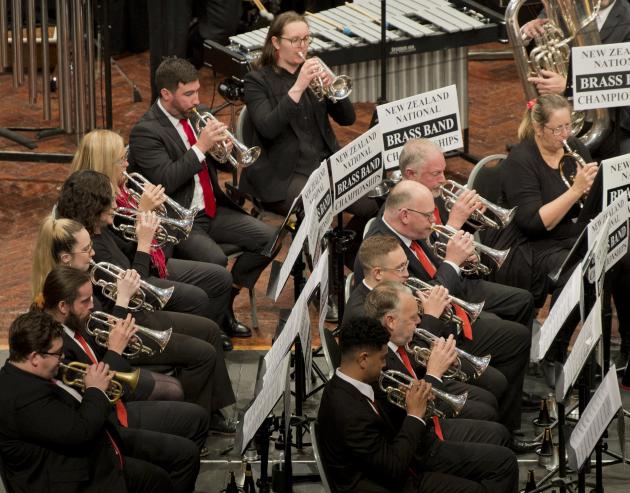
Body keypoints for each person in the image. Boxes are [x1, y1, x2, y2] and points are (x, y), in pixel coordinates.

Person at [357, 180, 533, 436]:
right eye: (428, 215)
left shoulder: (411, 232)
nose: (433, 220)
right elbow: (427, 295)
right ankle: (497, 433)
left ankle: (504, 426)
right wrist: (451, 262)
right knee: (496, 381)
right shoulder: (385, 247)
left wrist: (460, 258)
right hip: (429, 333)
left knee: (516, 333)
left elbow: (433, 274)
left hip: (443, 315)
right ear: (405, 215)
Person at [31, 214, 237, 434]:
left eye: (91, 246)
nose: (93, 253)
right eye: (86, 249)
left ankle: (207, 415)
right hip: (114, 348)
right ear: (65, 258)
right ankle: (195, 425)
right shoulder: (66, 291)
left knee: (209, 331)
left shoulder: (82, 275)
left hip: (123, 327)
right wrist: (122, 299)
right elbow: (99, 338)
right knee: (200, 354)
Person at [129, 56, 277, 333]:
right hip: (181, 220)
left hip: (212, 209)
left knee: (270, 239)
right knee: (216, 262)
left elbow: (221, 163)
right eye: (188, 94)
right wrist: (200, 146)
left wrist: (225, 146)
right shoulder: (146, 131)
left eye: (197, 91)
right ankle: (211, 327)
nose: (196, 100)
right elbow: (166, 180)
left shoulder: (196, 113)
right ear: (166, 94)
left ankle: (228, 299)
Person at [0, 310, 199, 493]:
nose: (62, 359)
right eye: (58, 354)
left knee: (159, 483)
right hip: (73, 490)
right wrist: (95, 390)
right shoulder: (21, 399)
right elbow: (81, 431)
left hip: (98, 456)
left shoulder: (32, 373)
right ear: (35, 357)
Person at [317, 317, 519, 493]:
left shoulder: (352, 385)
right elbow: (394, 467)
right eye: (382, 359)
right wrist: (414, 415)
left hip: (398, 477)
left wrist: (408, 403)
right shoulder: (347, 411)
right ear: (363, 359)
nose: (385, 365)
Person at [69, 128, 246, 342]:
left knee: (220, 277)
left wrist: (152, 215)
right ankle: (200, 340)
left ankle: (211, 333)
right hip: (137, 273)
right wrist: (143, 215)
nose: (127, 165)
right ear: (106, 163)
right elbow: (127, 259)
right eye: (122, 159)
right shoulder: (97, 207)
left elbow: (161, 245)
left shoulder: (123, 190)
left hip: (152, 260)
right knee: (197, 297)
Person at [499, 93, 630, 366]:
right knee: (581, 269)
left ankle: (627, 344)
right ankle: (554, 352)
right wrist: (577, 190)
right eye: (557, 129)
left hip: (570, 233)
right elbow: (533, 222)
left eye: (568, 125)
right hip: (532, 245)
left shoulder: (575, 147)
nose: (565, 134)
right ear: (538, 128)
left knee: (624, 254)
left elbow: (590, 201)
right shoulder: (520, 161)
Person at [242, 11, 379, 266]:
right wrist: (299, 86)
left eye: (306, 39)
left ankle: (348, 257)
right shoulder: (257, 81)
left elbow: (348, 119)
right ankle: (319, 284)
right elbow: (268, 128)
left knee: (375, 202)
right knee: (319, 209)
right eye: (295, 40)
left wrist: (332, 92)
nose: (302, 46)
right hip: (282, 174)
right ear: (276, 43)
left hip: (324, 164)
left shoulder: (313, 73)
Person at [37, 265, 212, 449]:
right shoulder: (55, 346)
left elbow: (95, 357)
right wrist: (115, 348)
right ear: (63, 306)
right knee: (194, 419)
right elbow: (97, 388)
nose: (92, 305)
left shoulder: (72, 321)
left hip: (114, 393)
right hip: (109, 419)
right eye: (85, 300)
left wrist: (118, 335)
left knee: (179, 394)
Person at [345, 235, 507, 424]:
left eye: (406, 265)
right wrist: (430, 317)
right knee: (487, 403)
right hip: (413, 388)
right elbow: (402, 360)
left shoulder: (390, 287)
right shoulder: (363, 314)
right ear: (378, 273)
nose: (407, 274)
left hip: (426, 367)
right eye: (400, 268)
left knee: (494, 387)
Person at [363, 282, 513, 438]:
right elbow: (416, 408)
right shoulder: (380, 361)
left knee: (490, 398)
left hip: (428, 388)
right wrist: (435, 371)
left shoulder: (398, 339)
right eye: (413, 317)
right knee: (489, 419)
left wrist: (440, 357)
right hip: (420, 429)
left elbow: (414, 365)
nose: (419, 321)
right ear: (390, 321)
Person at [522, 0, 630, 158]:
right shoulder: (569, 5)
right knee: (530, 151)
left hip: (613, 119)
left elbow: (623, 83)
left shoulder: (627, 18)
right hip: (564, 111)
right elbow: (538, 39)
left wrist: (570, 86)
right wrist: (528, 32)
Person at [399, 137, 485, 232]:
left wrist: (470, 217)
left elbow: (454, 233)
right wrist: (454, 223)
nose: (443, 179)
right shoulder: (405, 214)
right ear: (411, 174)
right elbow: (434, 245)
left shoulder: (433, 192)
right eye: (436, 173)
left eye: (443, 172)